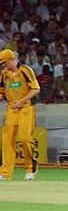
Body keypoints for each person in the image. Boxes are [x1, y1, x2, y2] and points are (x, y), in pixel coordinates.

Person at [0, 49, 41, 181]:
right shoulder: (4, 74)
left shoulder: (25, 70)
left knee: (25, 138)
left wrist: (21, 101)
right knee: (6, 140)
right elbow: (1, 92)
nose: (3, 65)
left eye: (5, 62)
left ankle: (30, 168)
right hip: (11, 109)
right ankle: (5, 172)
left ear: (12, 59)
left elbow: (36, 89)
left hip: (26, 108)